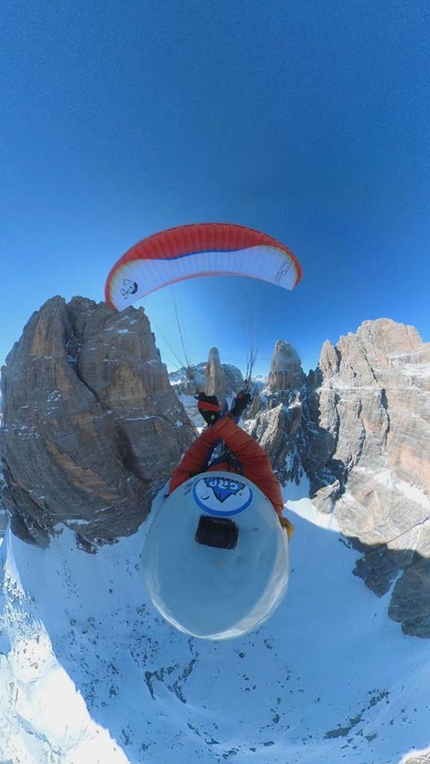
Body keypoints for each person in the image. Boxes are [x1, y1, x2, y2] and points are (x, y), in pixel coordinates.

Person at [169, 391, 295, 540]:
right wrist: (221, 419)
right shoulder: (269, 509)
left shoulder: (180, 494)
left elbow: (198, 452)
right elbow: (255, 458)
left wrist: (223, 419)